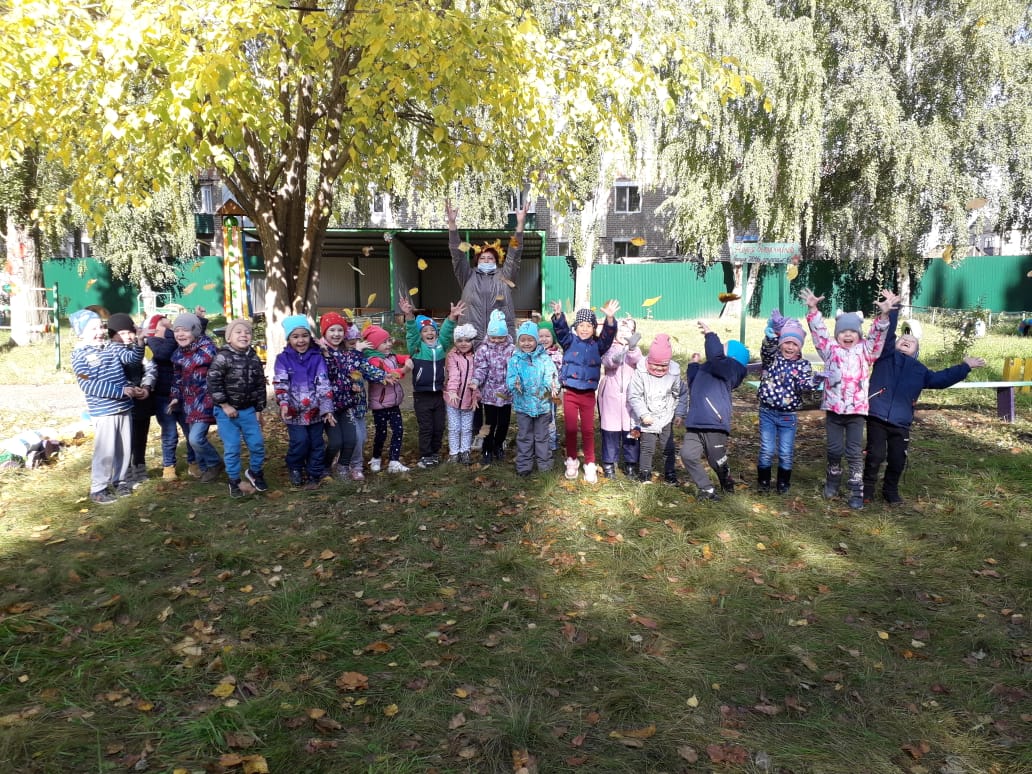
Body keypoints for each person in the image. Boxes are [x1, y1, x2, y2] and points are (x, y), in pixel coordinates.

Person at [863, 307, 985, 506]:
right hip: (877, 415)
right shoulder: (885, 356)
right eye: (902, 339)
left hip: (901, 422)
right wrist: (892, 310)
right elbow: (887, 334)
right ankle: (867, 489)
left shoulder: (920, 371)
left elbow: (942, 379)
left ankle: (890, 491)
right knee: (875, 455)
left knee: (897, 459)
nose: (906, 340)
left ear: (917, 352)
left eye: (911, 342)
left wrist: (964, 367)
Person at [801, 287, 899, 509]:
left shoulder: (867, 351)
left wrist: (884, 316)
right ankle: (833, 478)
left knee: (854, 453)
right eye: (843, 332)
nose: (847, 335)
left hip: (856, 413)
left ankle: (856, 490)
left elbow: (877, 337)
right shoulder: (830, 350)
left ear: (859, 334)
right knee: (834, 450)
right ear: (837, 334)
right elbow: (819, 334)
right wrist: (813, 310)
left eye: (852, 332)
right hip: (834, 411)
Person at [70, 308, 143, 504]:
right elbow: (88, 385)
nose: (100, 332)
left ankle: (120, 481)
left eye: (101, 327)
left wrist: (139, 342)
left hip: (124, 407)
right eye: (93, 329)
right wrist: (120, 391)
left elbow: (132, 359)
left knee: (124, 448)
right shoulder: (80, 355)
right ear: (81, 333)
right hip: (104, 410)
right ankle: (98, 488)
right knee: (106, 450)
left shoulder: (112, 347)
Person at [550, 299, 620, 483]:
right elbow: (561, 331)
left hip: (588, 394)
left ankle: (589, 463)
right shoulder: (569, 342)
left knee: (588, 430)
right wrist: (558, 315)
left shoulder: (598, 345)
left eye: (589, 326)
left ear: (594, 328)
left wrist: (610, 319)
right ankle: (571, 461)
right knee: (571, 429)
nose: (585, 329)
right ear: (576, 327)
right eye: (581, 325)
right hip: (570, 393)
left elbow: (608, 336)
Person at [679, 322, 749, 500]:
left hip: (714, 422)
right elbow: (694, 385)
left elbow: (716, 357)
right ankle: (707, 489)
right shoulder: (712, 366)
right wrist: (694, 366)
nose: (718, 348)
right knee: (687, 455)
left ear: (732, 356)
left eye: (723, 346)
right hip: (695, 422)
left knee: (716, 460)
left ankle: (726, 480)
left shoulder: (730, 369)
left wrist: (710, 335)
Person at [318, 312, 391, 480]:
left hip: (355, 404)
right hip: (333, 405)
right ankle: (345, 464)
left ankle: (350, 465)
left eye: (357, 342)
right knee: (342, 439)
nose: (355, 345)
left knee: (358, 438)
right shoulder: (334, 354)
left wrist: (383, 375)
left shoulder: (354, 356)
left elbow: (366, 369)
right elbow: (337, 372)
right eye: (351, 343)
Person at [446, 199, 529, 343]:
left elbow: (514, 254)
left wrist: (520, 225)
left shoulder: (505, 276)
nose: (486, 260)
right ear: (477, 261)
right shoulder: (468, 276)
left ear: (496, 261)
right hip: (471, 339)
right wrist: (452, 225)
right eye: (482, 258)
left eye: (490, 258)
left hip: (500, 340)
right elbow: (457, 254)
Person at [755, 310, 819, 495]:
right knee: (767, 449)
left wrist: (814, 381)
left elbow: (803, 386)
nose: (790, 347)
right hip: (767, 412)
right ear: (781, 343)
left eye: (795, 344)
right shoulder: (773, 359)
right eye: (787, 342)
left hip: (788, 416)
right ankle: (763, 483)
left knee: (785, 451)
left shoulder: (803, 365)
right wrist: (773, 335)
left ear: (800, 347)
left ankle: (783, 484)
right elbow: (767, 350)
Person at [207, 318, 268, 498]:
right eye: (238, 332)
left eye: (247, 332)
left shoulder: (254, 357)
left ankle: (255, 472)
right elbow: (213, 382)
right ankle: (234, 480)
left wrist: (259, 409)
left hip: (248, 410)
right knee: (232, 447)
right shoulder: (222, 357)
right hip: (226, 412)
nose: (244, 335)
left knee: (257, 443)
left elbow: (260, 385)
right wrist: (224, 405)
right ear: (229, 338)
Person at [274, 315, 336, 489]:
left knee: (317, 444)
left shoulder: (317, 358)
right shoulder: (283, 359)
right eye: (295, 336)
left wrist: (327, 409)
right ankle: (295, 466)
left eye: (304, 335)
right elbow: (280, 383)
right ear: (289, 339)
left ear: (310, 337)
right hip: (294, 412)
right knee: (300, 442)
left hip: (315, 412)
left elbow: (323, 383)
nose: (300, 340)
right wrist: (284, 404)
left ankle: (313, 474)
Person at [400, 296, 460, 468]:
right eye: (425, 331)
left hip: (438, 394)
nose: (429, 333)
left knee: (439, 426)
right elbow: (411, 332)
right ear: (421, 335)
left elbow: (447, 332)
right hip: (422, 395)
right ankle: (426, 455)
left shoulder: (441, 346)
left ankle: (434, 452)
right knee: (426, 427)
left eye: (432, 330)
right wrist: (409, 315)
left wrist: (452, 317)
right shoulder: (417, 348)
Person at [169, 312, 223, 483]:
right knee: (195, 438)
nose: (180, 334)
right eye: (177, 330)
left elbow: (221, 372)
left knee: (195, 438)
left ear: (195, 331)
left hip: (206, 401)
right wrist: (175, 397)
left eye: (185, 330)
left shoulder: (208, 349)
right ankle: (206, 470)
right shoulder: (178, 354)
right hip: (189, 403)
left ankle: (215, 463)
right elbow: (177, 378)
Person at [627, 334, 686, 483]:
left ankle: (670, 473)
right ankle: (645, 473)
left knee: (668, 447)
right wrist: (643, 414)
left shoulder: (673, 373)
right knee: (648, 447)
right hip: (648, 417)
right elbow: (634, 395)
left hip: (666, 415)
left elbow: (681, 393)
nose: (659, 368)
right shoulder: (641, 372)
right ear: (649, 361)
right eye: (655, 365)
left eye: (663, 366)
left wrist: (679, 413)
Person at [107, 312, 156, 487]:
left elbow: (150, 367)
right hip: (123, 399)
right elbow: (113, 374)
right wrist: (129, 387)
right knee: (124, 437)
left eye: (129, 332)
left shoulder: (142, 347)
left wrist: (146, 387)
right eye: (121, 333)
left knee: (141, 433)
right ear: (112, 335)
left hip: (142, 398)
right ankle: (124, 470)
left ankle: (139, 465)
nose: (127, 336)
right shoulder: (109, 351)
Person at [146, 315, 196, 480]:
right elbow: (163, 355)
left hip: (183, 394)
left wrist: (199, 320)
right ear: (155, 329)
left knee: (190, 431)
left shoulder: (176, 342)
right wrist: (170, 334)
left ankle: (193, 462)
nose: (171, 330)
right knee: (170, 434)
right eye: (165, 327)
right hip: (163, 397)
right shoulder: (153, 342)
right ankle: (168, 466)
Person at [507, 320, 559, 476]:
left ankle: (544, 465)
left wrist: (551, 386)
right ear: (518, 341)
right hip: (523, 405)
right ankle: (524, 465)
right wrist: (514, 383)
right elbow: (510, 377)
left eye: (530, 340)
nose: (526, 343)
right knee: (525, 436)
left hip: (542, 405)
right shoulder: (515, 359)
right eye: (523, 340)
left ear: (536, 340)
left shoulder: (544, 358)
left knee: (542, 436)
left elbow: (551, 375)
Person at [362, 323, 411, 473]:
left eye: (389, 340)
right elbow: (390, 374)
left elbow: (405, 357)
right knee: (381, 432)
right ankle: (376, 457)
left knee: (398, 430)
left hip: (394, 403)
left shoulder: (391, 356)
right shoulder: (374, 360)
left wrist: (408, 359)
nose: (388, 344)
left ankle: (394, 461)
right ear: (374, 345)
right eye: (384, 342)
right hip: (380, 405)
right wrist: (405, 369)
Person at [598, 317, 642, 479]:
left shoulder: (635, 350)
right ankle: (609, 464)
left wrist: (632, 348)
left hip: (631, 397)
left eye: (628, 330)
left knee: (631, 431)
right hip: (611, 395)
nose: (624, 333)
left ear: (633, 334)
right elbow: (608, 361)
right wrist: (617, 357)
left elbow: (637, 361)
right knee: (610, 431)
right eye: (621, 330)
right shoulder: (610, 346)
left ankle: (631, 464)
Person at [470, 310, 515, 465]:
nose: (496, 340)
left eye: (500, 337)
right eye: (493, 337)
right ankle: (487, 449)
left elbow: (515, 368)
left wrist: (515, 383)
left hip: (506, 393)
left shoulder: (512, 349)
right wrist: (476, 381)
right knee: (490, 422)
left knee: (504, 423)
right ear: (488, 335)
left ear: (506, 335)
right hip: (489, 393)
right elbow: (480, 368)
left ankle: (498, 445)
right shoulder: (483, 350)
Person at [444, 321, 479, 464]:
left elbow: (478, 379)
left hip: (469, 400)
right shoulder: (452, 356)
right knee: (454, 428)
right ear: (455, 341)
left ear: (472, 341)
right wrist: (452, 391)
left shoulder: (476, 356)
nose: (463, 343)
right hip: (453, 400)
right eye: (460, 340)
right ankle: (454, 453)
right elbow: (454, 374)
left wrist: (476, 397)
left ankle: (465, 451)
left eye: (467, 340)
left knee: (467, 428)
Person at [537, 320, 564, 451]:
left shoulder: (557, 355)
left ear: (553, 338)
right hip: (535, 393)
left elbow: (561, 374)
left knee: (550, 418)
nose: (544, 339)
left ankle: (551, 444)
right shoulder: (533, 354)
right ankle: (538, 441)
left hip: (551, 393)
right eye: (540, 336)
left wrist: (557, 387)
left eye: (547, 336)